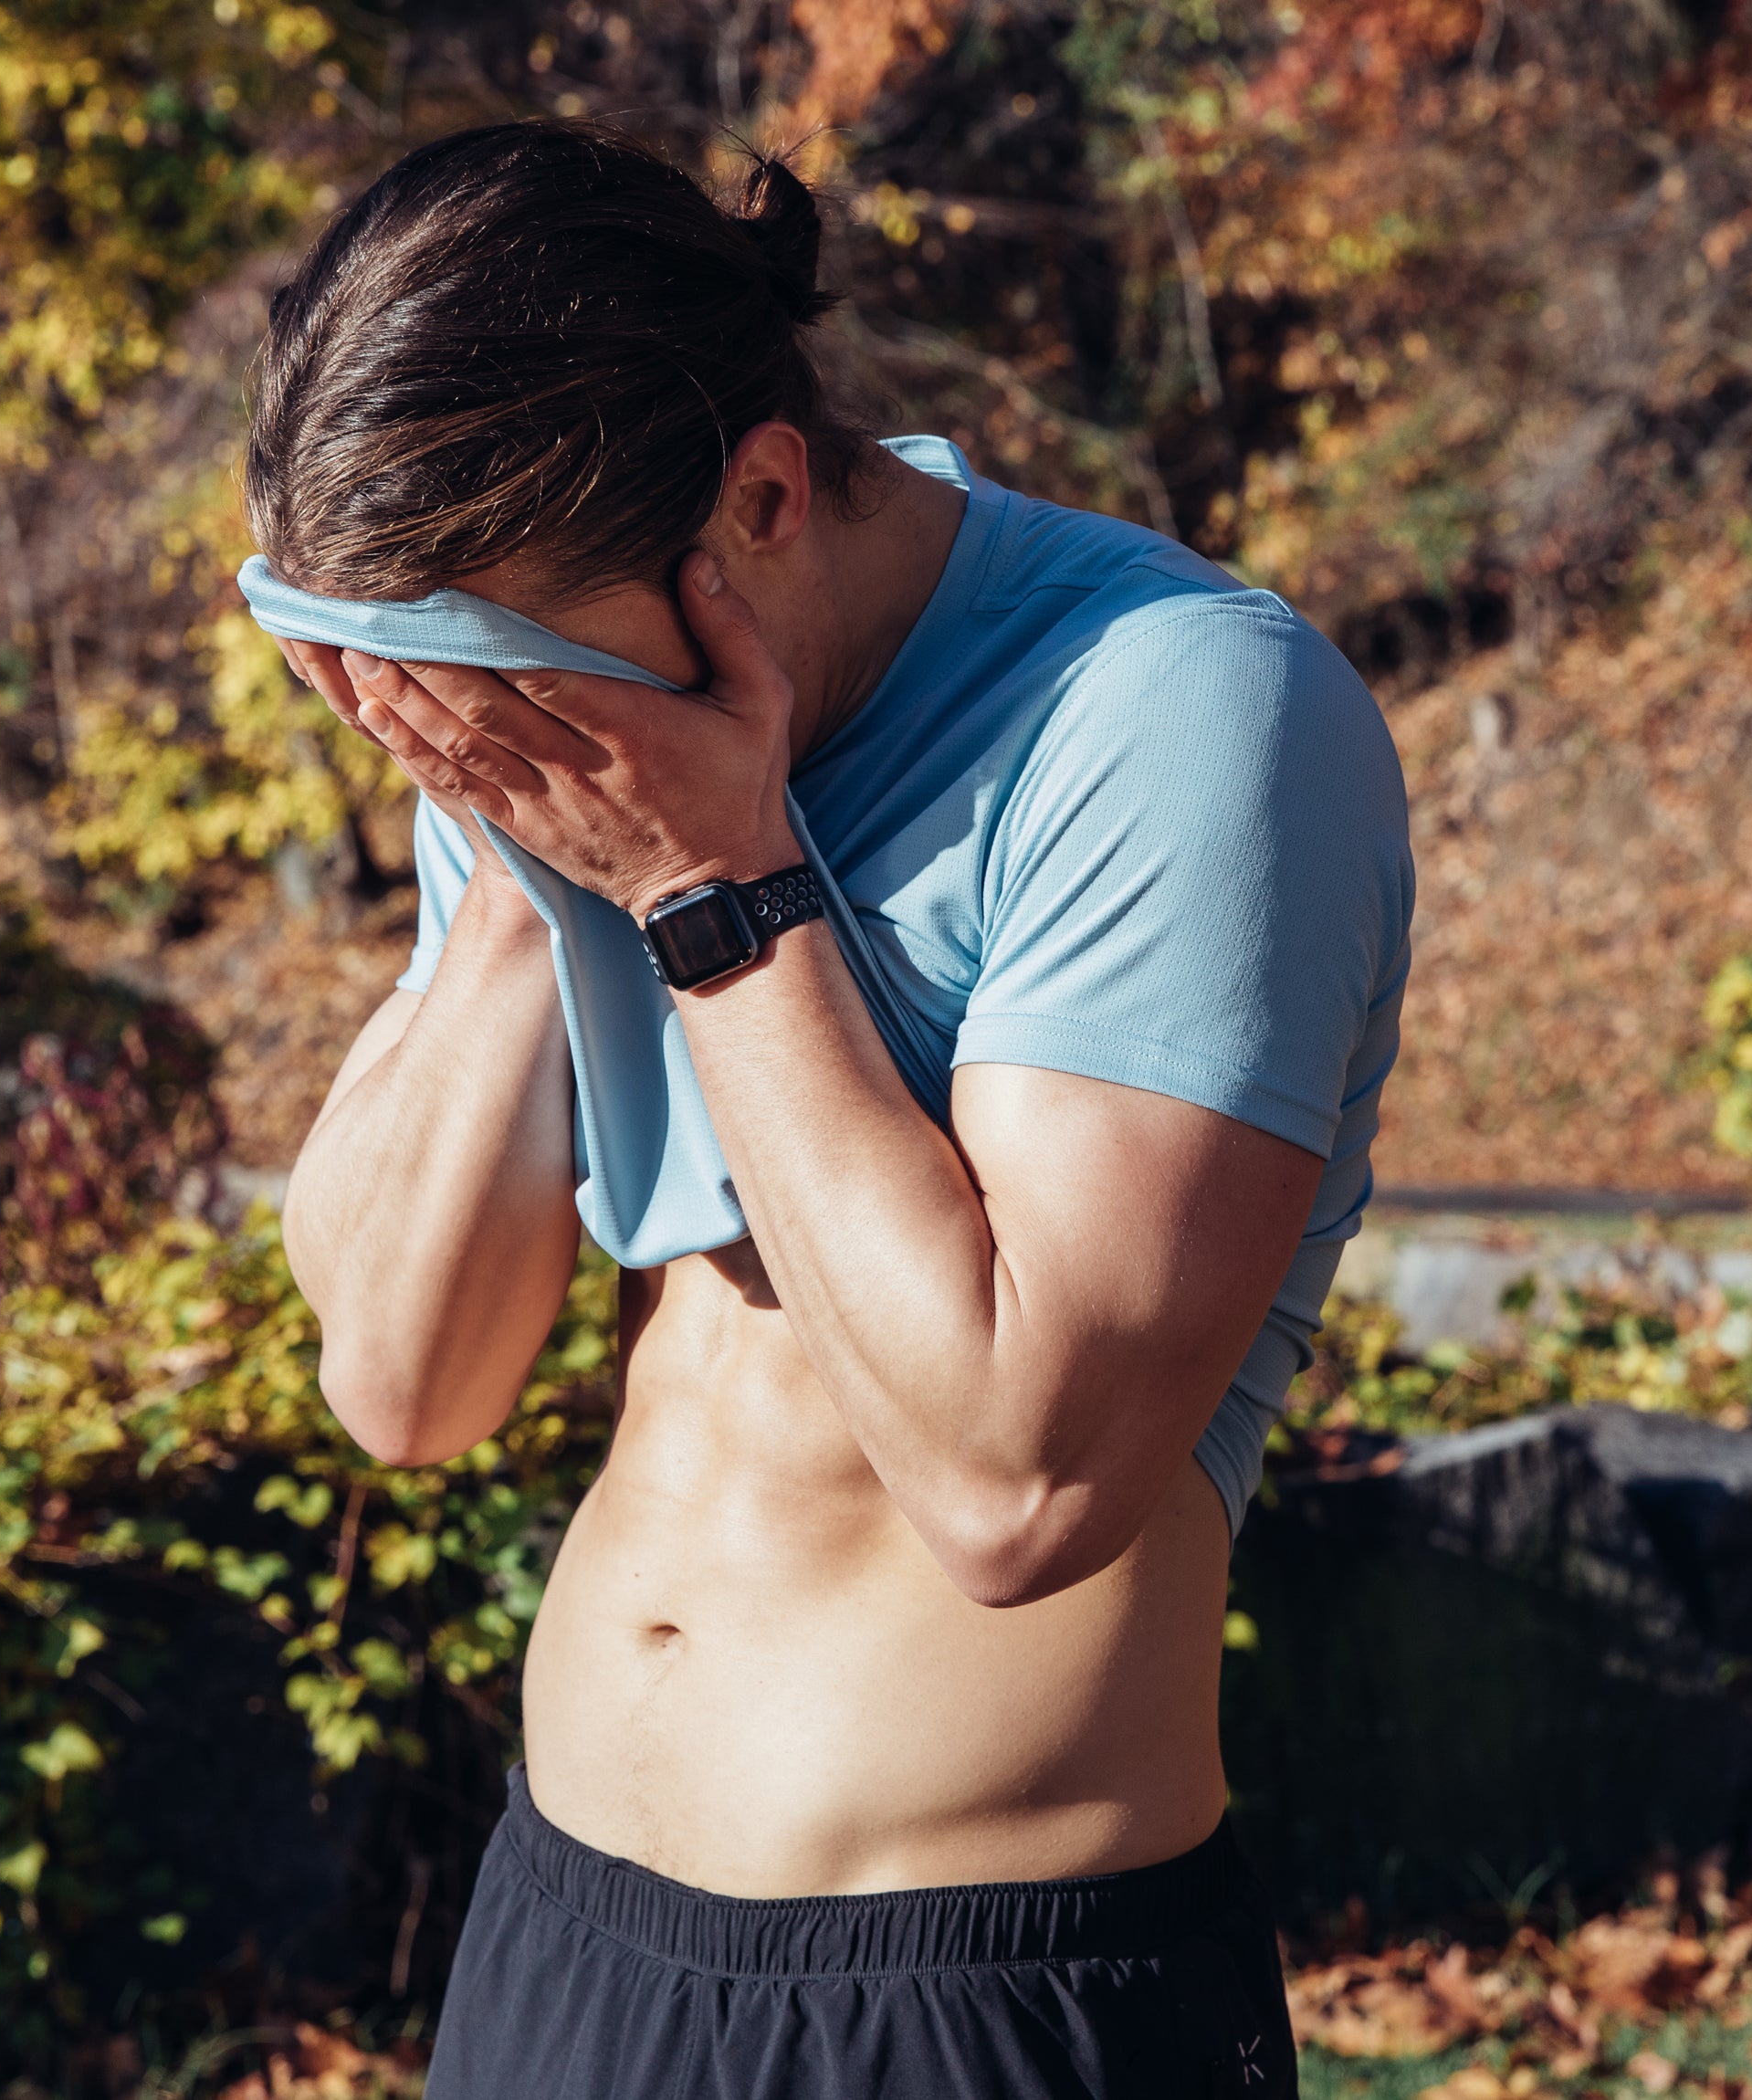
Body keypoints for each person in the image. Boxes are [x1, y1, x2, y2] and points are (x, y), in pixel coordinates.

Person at [252, 120, 1412, 2099]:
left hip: (968, 1998)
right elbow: (402, 1382)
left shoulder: (1171, 712)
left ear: (765, 496)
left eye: (499, 674)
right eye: (409, 684)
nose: (471, 732)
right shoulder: (555, 740)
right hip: (562, 1943)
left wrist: (716, 893)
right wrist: (528, 880)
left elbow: (1015, 1483)